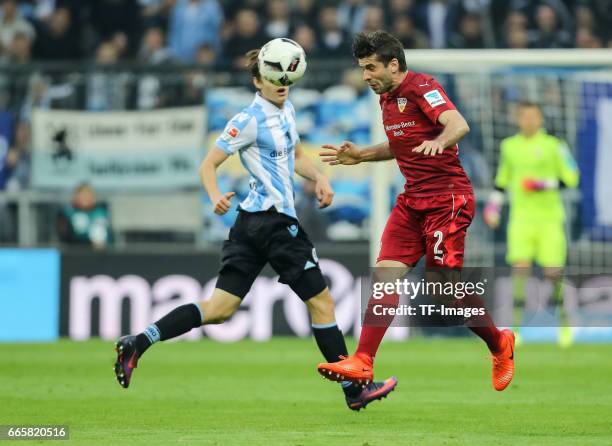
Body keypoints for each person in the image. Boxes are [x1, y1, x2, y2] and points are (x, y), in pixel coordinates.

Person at [114, 44, 397, 411]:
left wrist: (320, 178)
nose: (280, 82)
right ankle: (354, 391)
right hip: (274, 224)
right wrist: (214, 194)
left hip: (252, 225)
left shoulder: (288, 110)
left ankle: (139, 342)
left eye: (283, 77)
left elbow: (295, 156)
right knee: (323, 303)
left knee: (219, 309)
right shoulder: (248, 119)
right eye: (271, 77)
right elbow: (208, 165)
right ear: (257, 80)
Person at [317, 30, 515, 392]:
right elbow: (399, 145)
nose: (365, 76)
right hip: (412, 202)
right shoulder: (387, 97)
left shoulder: (423, 87)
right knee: (384, 277)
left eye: (371, 67)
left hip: (447, 199)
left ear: (394, 64)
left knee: (444, 290)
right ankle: (363, 361)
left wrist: (439, 142)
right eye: (362, 68)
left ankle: (499, 343)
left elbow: (459, 125)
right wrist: (360, 154)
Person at [483, 101, 579, 347]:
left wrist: (541, 184)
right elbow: (502, 181)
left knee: (552, 273)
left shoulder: (555, 146)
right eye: (524, 117)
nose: (529, 121)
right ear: (518, 120)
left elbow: (572, 177)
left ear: (541, 119)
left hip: (550, 219)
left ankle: (565, 325)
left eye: (534, 117)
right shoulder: (509, 147)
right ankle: (516, 329)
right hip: (521, 219)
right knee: (520, 270)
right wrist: (492, 208)